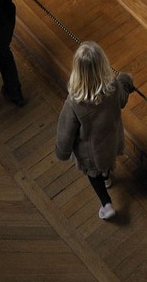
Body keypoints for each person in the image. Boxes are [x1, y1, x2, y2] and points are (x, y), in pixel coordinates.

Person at [54, 41, 134, 222]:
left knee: (93, 174)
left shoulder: (74, 101)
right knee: (106, 164)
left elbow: (66, 130)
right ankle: (107, 176)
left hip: (90, 151)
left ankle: (106, 203)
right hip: (111, 142)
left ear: (78, 70)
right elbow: (123, 96)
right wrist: (126, 80)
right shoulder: (113, 88)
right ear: (103, 65)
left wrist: (63, 151)